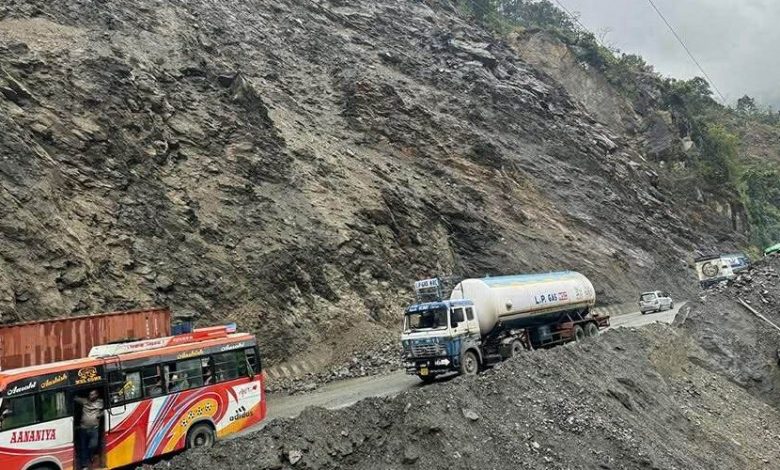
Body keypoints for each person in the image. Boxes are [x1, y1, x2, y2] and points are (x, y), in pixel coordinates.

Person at [75, 390, 103, 470]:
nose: (91, 396)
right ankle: (84, 465)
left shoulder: (100, 402)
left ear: (96, 395)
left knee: (93, 445)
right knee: (83, 447)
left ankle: (91, 455)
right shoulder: (84, 401)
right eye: (90, 394)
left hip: (94, 429)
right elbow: (75, 398)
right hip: (83, 429)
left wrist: (100, 415)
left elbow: (107, 409)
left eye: (92, 394)